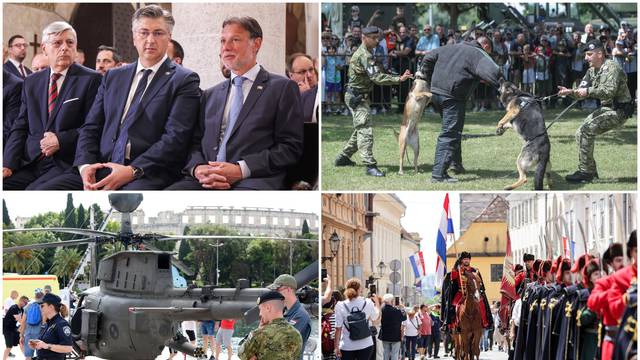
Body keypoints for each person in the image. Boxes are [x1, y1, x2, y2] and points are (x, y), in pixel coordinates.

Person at [42, 5, 201, 190]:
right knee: (43, 192)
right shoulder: (114, 76)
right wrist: (85, 166)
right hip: (100, 166)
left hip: (145, 172)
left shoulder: (184, 79)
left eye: (158, 33)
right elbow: (91, 127)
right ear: (134, 37)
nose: (150, 40)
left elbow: (175, 139)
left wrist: (133, 170)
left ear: (169, 37)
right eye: (144, 32)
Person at [168, 16, 303, 190]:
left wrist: (241, 170)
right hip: (204, 180)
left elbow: (290, 148)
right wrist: (197, 168)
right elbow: (194, 142)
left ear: (256, 44)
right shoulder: (210, 95)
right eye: (223, 41)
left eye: (235, 40)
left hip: (252, 181)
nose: (226, 47)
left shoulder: (282, 88)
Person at [3, 21, 102, 190]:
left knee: (34, 193)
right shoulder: (31, 82)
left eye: (70, 43)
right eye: (57, 43)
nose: (64, 48)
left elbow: (94, 127)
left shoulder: (92, 80)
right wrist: (7, 164)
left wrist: (61, 140)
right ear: (44, 48)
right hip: (31, 161)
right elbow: (20, 127)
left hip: (64, 161)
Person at [421, 36, 502, 182]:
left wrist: (428, 78)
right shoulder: (477, 53)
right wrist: (504, 88)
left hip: (437, 93)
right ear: (486, 45)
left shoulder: (449, 47)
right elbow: (494, 73)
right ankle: (438, 175)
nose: (489, 54)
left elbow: (427, 57)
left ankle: (455, 164)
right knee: (450, 133)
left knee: (454, 130)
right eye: (489, 51)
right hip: (453, 96)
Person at [333, 26, 412, 177]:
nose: (377, 41)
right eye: (374, 38)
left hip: (359, 96)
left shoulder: (368, 52)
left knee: (360, 130)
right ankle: (370, 165)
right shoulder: (364, 55)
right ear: (364, 37)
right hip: (356, 97)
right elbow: (376, 77)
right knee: (365, 131)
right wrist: (398, 79)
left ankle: (343, 158)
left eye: (378, 38)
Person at [558, 39, 633, 183]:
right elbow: (581, 92)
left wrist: (586, 91)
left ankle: (586, 173)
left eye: (589, 54)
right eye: (586, 54)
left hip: (620, 111)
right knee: (580, 132)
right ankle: (589, 171)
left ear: (599, 54)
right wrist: (570, 92)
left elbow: (608, 91)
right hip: (606, 109)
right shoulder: (591, 71)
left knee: (586, 130)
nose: (586, 58)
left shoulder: (612, 67)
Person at [239, 290, 302, 360]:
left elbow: (241, 353)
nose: (260, 314)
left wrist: (258, 329)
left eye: (260, 309)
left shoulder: (259, 334)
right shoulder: (297, 334)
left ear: (268, 308)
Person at [334, 278, 380, 360]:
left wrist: (336, 347)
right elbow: (375, 317)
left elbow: (338, 328)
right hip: (366, 344)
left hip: (347, 346)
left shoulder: (340, 305)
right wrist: (377, 303)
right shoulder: (368, 302)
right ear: (359, 289)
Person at [269, 274, 311, 358]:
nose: (275, 294)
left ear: (288, 289)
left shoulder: (300, 315)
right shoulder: (285, 313)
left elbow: (282, 340)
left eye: (278, 290)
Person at [28, 293, 73, 360]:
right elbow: (47, 343)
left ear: (51, 307)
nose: (40, 308)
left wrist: (46, 346)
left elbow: (68, 348)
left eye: (42, 306)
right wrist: (38, 344)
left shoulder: (62, 324)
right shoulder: (48, 323)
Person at [378, 294, 406, 360]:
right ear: (391, 301)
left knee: (385, 353)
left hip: (385, 335)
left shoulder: (382, 310)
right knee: (395, 354)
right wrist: (402, 308)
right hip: (395, 336)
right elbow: (404, 317)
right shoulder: (396, 311)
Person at [19, 290, 45, 360]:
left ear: (35, 297)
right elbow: (44, 322)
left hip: (28, 334)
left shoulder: (28, 306)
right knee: (41, 356)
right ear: (43, 297)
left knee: (28, 356)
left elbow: (23, 322)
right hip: (39, 334)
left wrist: (21, 335)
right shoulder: (43, 307)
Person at [3, 296, 27, 360]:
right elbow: (20, 320)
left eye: (26, 302)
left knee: (21, 342)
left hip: (13, 328)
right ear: (20, 300)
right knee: (9, 347)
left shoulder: (21, 309)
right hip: (7, 329)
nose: (25, 303)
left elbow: (22, 320)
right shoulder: (14, 308)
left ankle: (27, 358)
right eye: (24, 302)